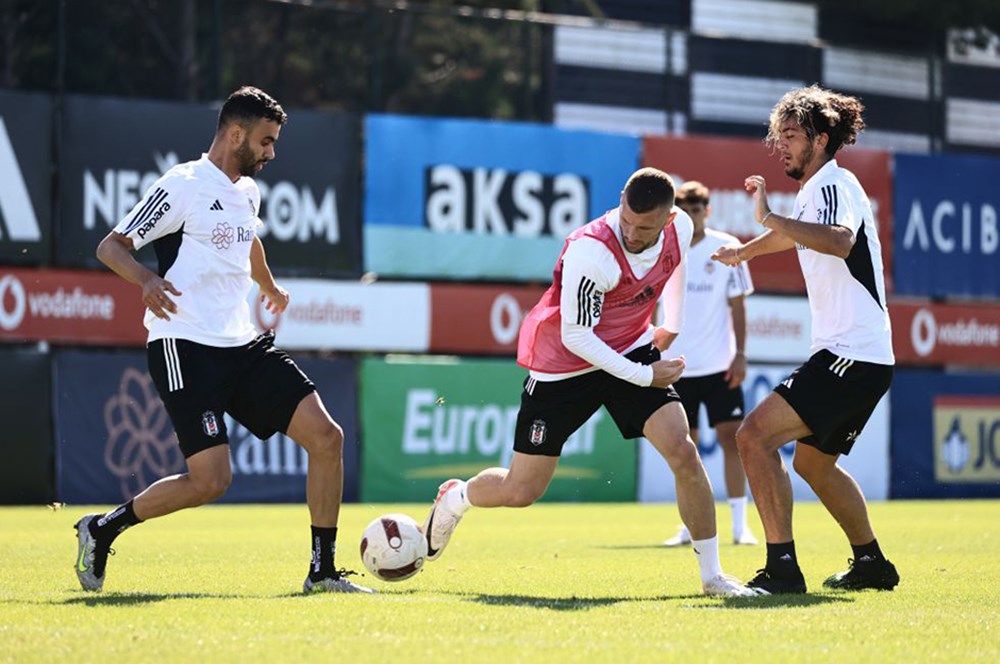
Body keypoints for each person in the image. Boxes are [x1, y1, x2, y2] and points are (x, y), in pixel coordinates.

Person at [78, 86, 372, 594]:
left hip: (243, 344)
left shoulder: (247, 191)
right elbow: (111, 246)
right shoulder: (183, 184)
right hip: (184, 346)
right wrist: (146, 280)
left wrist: (269, 286)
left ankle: (322, 572)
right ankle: (103, 528)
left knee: (328, 438)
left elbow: (248, 238)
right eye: (265, 141)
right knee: (211, 481)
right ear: (236, 134)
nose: (271, 152)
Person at [420, 167, 755, 598]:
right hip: (565, 366)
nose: (631, 234)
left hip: (631, 347)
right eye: (627, 221)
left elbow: (676, 265)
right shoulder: (591, 251)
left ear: (670, 219)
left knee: (683, 452)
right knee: (521, 490)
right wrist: (645, 375)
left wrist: (673, 324)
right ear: (620, 202)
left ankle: (712, 577)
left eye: (644, 228)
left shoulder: (682, 227)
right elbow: (576, 337)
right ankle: (457, 498)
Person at [712, 85, 898, 594]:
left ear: (820, 140)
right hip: (860, 355)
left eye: (791, 135)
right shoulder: (816, 190)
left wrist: (768, 217)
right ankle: (872, 564)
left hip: (852, 354)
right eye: (781, 136)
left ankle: (783, 570)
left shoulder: (835, 183)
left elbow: (839, 240)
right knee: (813, 463)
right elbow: (791, 234)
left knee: (752, 436)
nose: (782, 146)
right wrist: (744, 252)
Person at [660, 181, 757, 548]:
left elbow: (738, 306)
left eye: (697, 207)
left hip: (719, 365)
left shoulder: (726, 246)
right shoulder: (664, 247)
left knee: (733, 440)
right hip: (677, 366)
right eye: (684, 207)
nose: (692, 213)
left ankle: (740, 526)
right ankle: (689, 527)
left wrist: (740, 354)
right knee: (684, 448)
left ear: (708, 210)